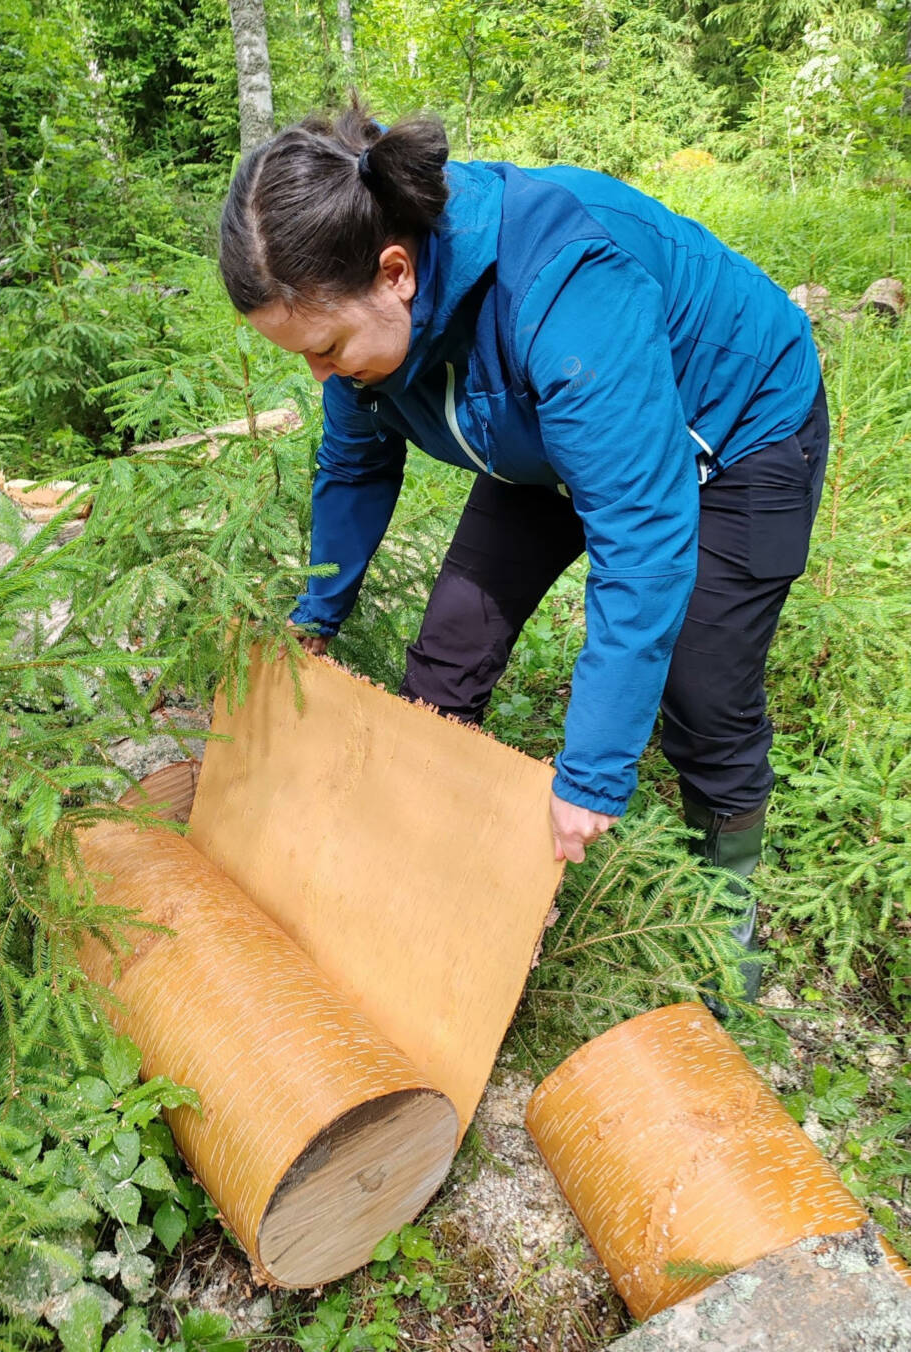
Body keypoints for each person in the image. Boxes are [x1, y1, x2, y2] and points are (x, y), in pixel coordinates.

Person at [218, 101, 829, 1006]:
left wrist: (591, 775)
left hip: (735, 430)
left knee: (703, 688)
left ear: (396, 274)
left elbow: (644, 542)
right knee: (449, 652)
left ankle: (720, 924)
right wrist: (316, 614)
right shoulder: (362, 308)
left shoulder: (566, 287)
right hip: (542, 429)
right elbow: (354, 464)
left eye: (328, 348)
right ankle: (419, 876)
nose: (319, 375)